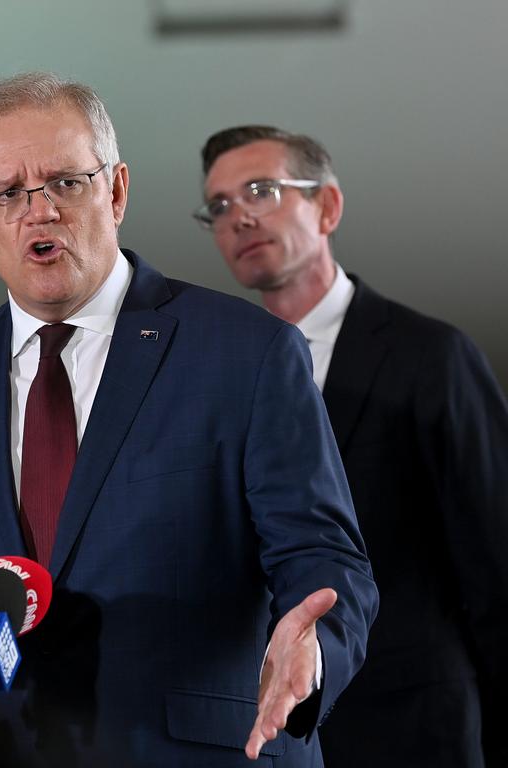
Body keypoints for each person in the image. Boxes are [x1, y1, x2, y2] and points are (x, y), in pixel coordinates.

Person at [0, 73, 378, 766]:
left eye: (66, 183)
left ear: (117, 190)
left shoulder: (245, 354)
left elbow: (323, 556)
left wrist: (312, 649)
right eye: (8, 193)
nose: (39, 212)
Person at [197, 125, 508, 768]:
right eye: (220, 207)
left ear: (328, 207)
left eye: (261, 190)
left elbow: (495, 555)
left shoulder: (431, 356)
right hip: (267, 734)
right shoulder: (216, 376)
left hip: (416, 724)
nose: (240, 216)